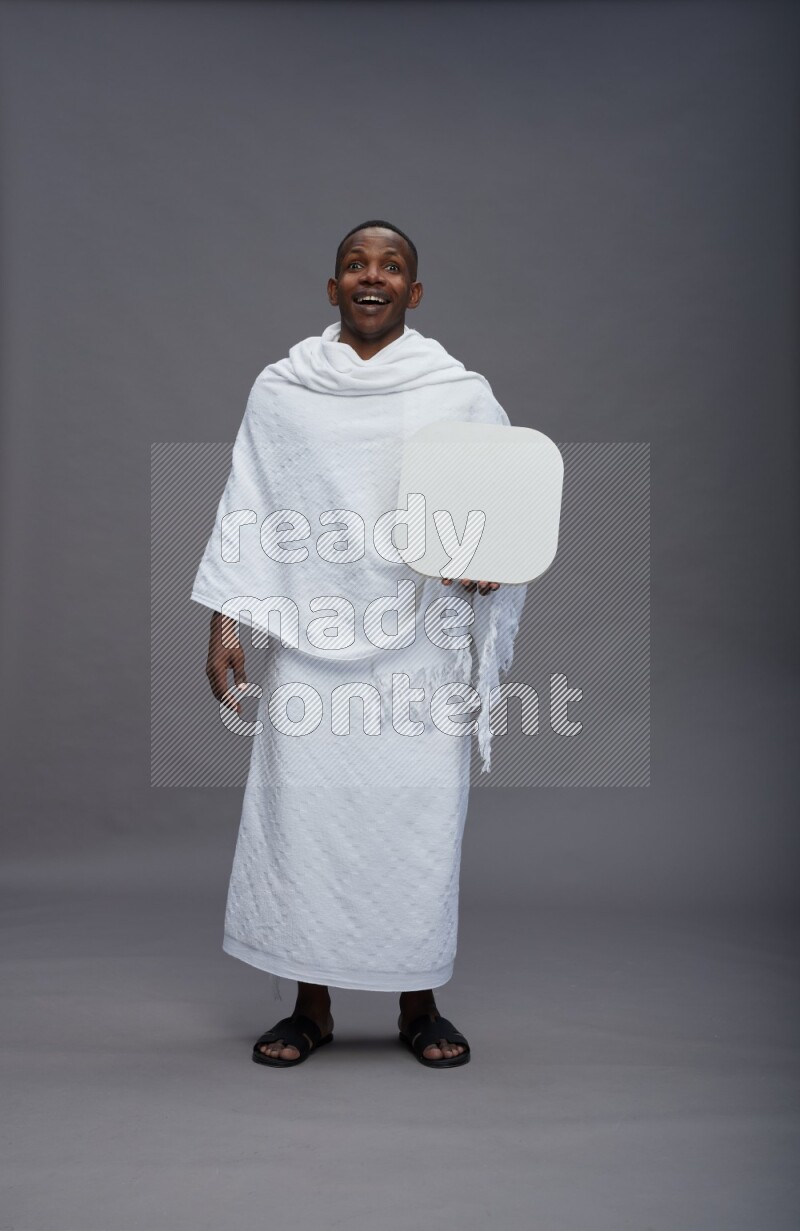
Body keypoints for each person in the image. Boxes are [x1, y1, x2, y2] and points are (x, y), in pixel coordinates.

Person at [191, 220, 527, 1068]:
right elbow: (251, 505)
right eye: (354, 264)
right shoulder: (281, 389)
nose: (370, 277)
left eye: (391, 267)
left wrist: (492, 562)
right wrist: (226, 619)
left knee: (416, 820)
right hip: (313, 635)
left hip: (423, 645)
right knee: (306, 818)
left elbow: (504, 504)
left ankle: (420, 1003)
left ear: (414, 293)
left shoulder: (458, 392)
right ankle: (311, 1007)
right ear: (332, 286)